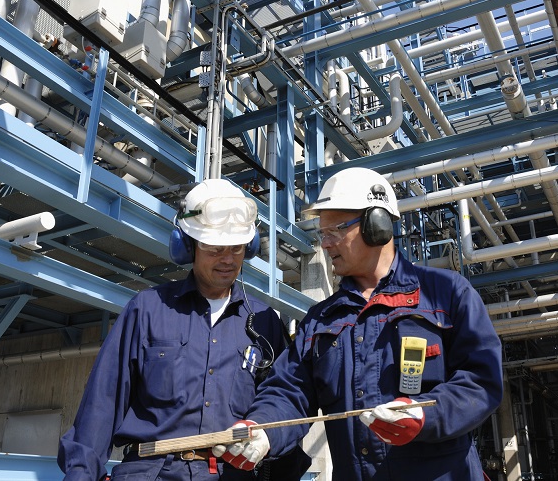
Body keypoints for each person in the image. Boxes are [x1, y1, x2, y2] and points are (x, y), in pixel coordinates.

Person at [212, 167, 504, 480]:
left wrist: (425, 413)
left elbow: (481, 381)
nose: (325, 244)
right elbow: (289, 391)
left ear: (376, 225)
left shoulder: (446, 294)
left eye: (334, 231)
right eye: (322, 234)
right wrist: (262, 430)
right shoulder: (321, 321)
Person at [58, 178, 309, 481]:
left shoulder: (265, 320)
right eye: (215, 247)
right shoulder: (148, 309)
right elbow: (102, 403)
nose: (228, 259)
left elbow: (286, 400)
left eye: (238, 247)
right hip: (151, 471)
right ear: (187, 245)